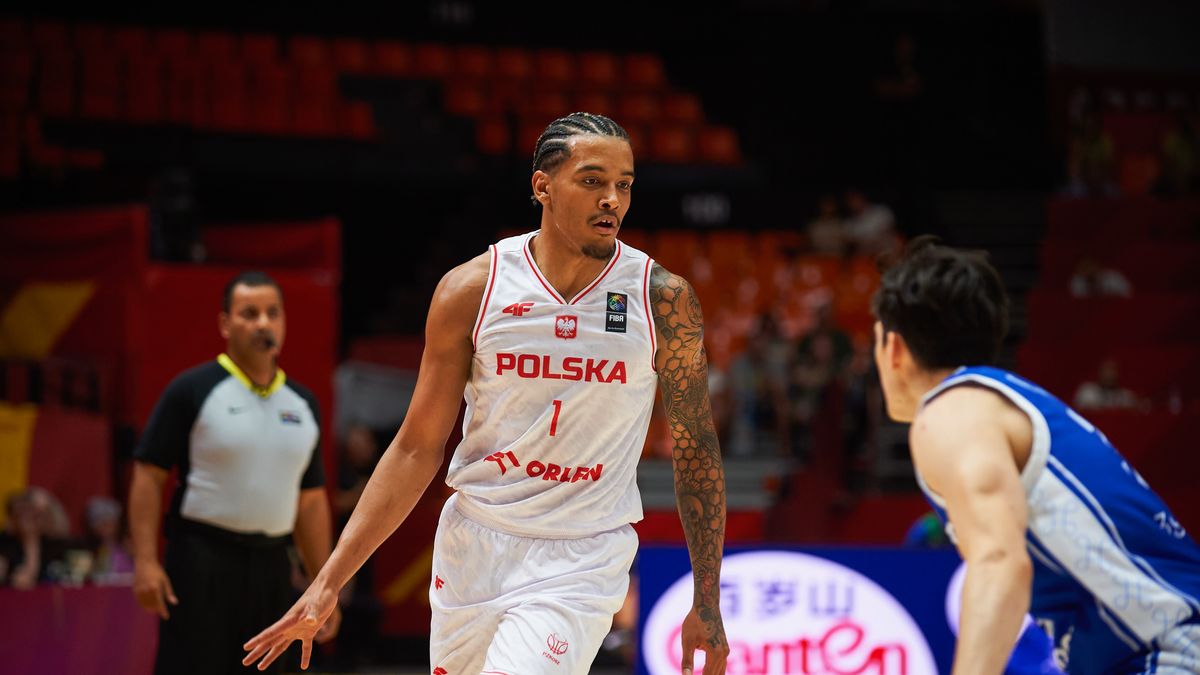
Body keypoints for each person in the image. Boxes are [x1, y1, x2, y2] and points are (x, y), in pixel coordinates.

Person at [244, 112, 730, 675]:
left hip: (582, 554)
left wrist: (707, 598)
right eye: (593, 180)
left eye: (624, 185)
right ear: (542, 186)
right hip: (474, 544)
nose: (612, 200)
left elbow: (697, 449)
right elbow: (414, 447)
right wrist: (329, 581)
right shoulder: (473, 289)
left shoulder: (662, 300)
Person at [872, 236, 1200, 673]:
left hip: (1172, 654)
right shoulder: (999, 402)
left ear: (893, 348)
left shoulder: (949, 409)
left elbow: (1000, 564)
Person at [128, 271, 338, 675]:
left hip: (273, 567)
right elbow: (148, 476)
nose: (263, 322)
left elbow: (310, 502)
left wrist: (321, 585)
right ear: (225, 323)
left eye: (272, 313)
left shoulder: (303, 404)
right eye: (249, 313)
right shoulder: (192, 390)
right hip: (199, 562)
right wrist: (145, 561)